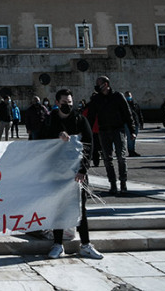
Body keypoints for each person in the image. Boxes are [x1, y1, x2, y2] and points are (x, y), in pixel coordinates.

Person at [39, 89, 103, 260]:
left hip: (76, 173)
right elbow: (40, 141)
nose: (68, 105)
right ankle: (58, 244)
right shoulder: (50, 120)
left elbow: (89, 145)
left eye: (70, 102)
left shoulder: (80, 120)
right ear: (57, 103)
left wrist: (83, 170)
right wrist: (56, 136)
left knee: (80, 208)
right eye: (64, 103)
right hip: (56, 172)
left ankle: (86, 244)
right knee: (58, 207)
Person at [87, 75, 135, 195]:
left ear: (106, 84)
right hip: (103, 131)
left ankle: (123, 183)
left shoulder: (118, 96)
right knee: (107, 159)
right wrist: (87, 132)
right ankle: (113, 184)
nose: (97, 86)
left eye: (99, 84)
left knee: (121, 157)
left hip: (118, 129)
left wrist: (132, 130)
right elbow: (91, 116)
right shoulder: (96, 99)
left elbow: (127, 114)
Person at [124, 92, 144, 157]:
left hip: (136, 122)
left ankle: (132, 150)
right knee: (130, 137)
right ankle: (131, 151)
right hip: (128, 123)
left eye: (129, 96)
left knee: (134, 137)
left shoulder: (135, 104)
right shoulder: (124, 104)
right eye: (127, 96)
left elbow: (139, 114)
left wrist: (141, 123)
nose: (128, 97)